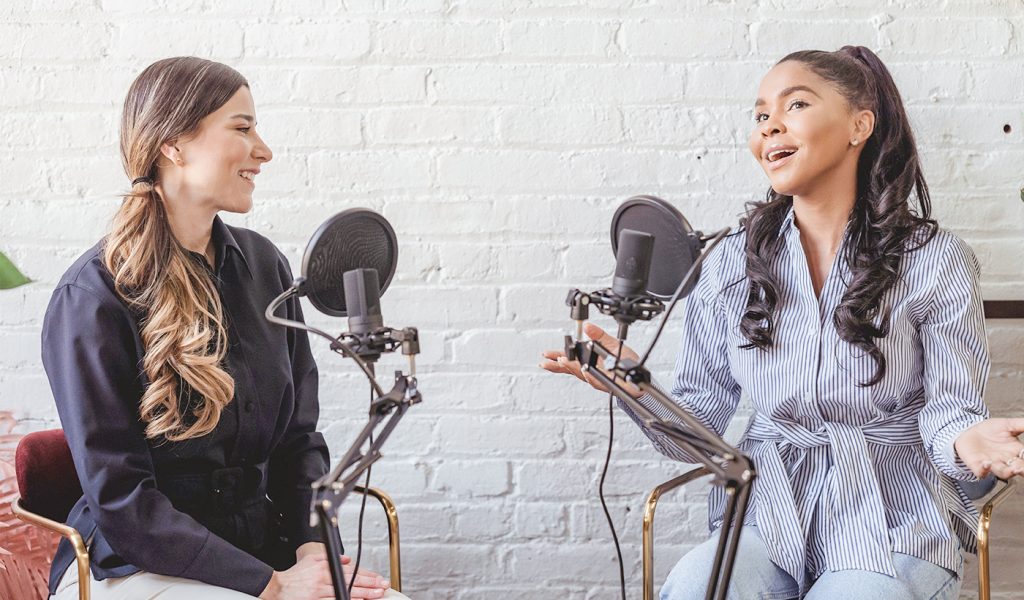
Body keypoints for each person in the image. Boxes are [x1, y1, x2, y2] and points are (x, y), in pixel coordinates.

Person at [541, 46, 1024, 599]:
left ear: (859, 126)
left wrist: (968, 438)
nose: (771, 126)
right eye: (761, 115)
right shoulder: (726, 261)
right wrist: (635, 388)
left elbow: (948, 409)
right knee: (695, 588)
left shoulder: (936, 259)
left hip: (894, 515)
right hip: (767, 511)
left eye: (794, 105)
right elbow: (698, 427)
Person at [42, 57, 405, 600]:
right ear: (174, 144)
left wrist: (311, 549)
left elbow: (297, 440)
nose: (264, 149)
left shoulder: (267, 269)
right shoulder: (90, 298)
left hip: (262, 551)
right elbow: (122, 501)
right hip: (131, 568)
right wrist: (272, 585)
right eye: (242, 127)